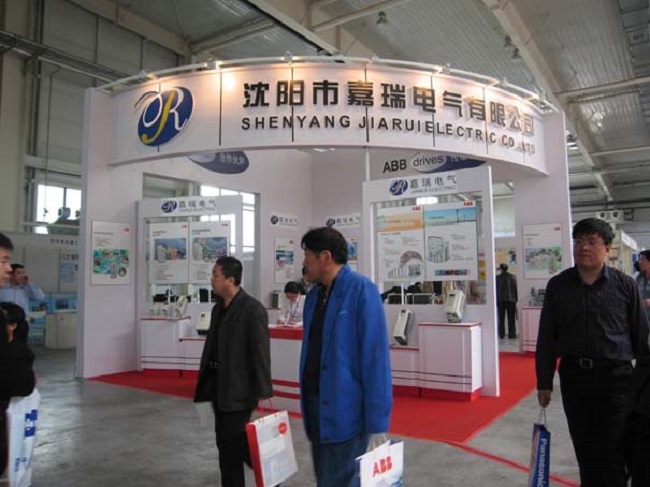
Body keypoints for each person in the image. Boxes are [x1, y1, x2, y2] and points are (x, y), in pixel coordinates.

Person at [536, 218, 650, 487]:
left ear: (607, 248)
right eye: (578, 242)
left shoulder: (625, 285)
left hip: (617, 380)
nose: (584, 247)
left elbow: (641, 335)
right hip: (575, 379)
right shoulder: (559, 286)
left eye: (591, 242)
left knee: (614, 448)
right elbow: (547, 336)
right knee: (585, 448)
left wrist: (643, 386)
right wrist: (544, 381)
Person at [299, 227, 392, 486]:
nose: (304, 263)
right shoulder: (314, 297)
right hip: (315, 408)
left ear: (325, 257)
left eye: (307, 256)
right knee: (325, 477)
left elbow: (376, 360)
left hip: (346, 412)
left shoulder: (362, 291)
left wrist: (377, 422)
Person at [193, 256, 272, 487]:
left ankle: (271, 473)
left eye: (216, 275)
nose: (212, 279)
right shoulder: (218, 308)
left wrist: (263, 390)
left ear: (230, 279)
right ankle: (269, 472)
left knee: (232, 445)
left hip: (239, 391)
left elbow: (260, 352)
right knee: (228, 446)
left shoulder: (252, 309)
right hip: (217, 388)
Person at [0, 232, 36, 478]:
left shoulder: (25, 289)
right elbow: (19, 383)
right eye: (3, 261)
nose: (8, 269)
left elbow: (39, 297)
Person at [0, 263, 46, 340]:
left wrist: (29, 284)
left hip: (22, 322)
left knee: (21, 344)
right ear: (11, 275)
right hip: (5, 322)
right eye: (18, 273)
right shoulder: (2, 288)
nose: (22, 276)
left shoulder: (27, 288)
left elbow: (40, 297)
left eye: (23, 273)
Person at [495, 263, 518, 339]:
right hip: (512, 300)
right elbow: (515, 289)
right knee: (511, 319)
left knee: (501, 319)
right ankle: (512, 334)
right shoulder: (513, 277)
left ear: (501, 269)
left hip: (501, 300)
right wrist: (516, 299)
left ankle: (501, 334)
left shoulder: (497, 278)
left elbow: (496, 290)